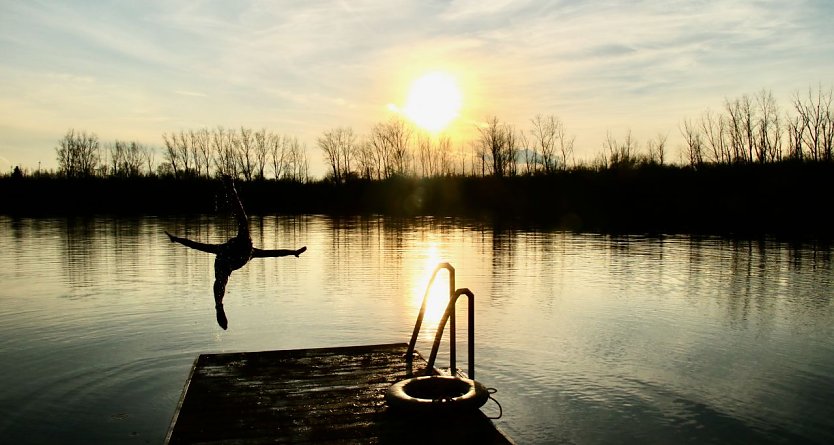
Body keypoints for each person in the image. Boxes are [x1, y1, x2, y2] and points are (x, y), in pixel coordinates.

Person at [165, 174, 306, 329]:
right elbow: (196, 245)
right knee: (220, 282)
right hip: (222, 265)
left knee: (243, 224)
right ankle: (219, 306)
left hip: (228, 263)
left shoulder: (251, 251)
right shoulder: (226, 250)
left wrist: (293, 252)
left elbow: (275, 252)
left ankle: (219, 305)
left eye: (249, 241)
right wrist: (177, 239)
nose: (250, 241)